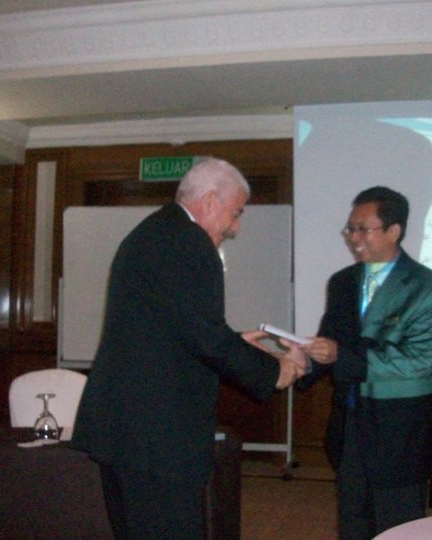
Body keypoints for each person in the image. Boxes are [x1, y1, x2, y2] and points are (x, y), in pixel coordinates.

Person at [71, 157, 307, 540]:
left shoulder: (155, 233)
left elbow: (174, 331)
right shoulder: (190, 243)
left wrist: (234, 344)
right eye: (236, 213)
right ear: (211, 201)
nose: (236, 227)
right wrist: (275, 370)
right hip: (157, 442)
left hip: (128, 434)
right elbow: (205, 336)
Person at [298, 186, 432, 540]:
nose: (353, 238)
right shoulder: (343, 282)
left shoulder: (429, 288)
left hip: (400, 428)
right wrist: (300, 362)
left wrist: (340, 355)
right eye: (350, 229)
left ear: (393, 231)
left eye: (362, 229)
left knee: (398, 527)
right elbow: (330, 340)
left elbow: (416, 361)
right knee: (353, 521)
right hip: (350, 421)